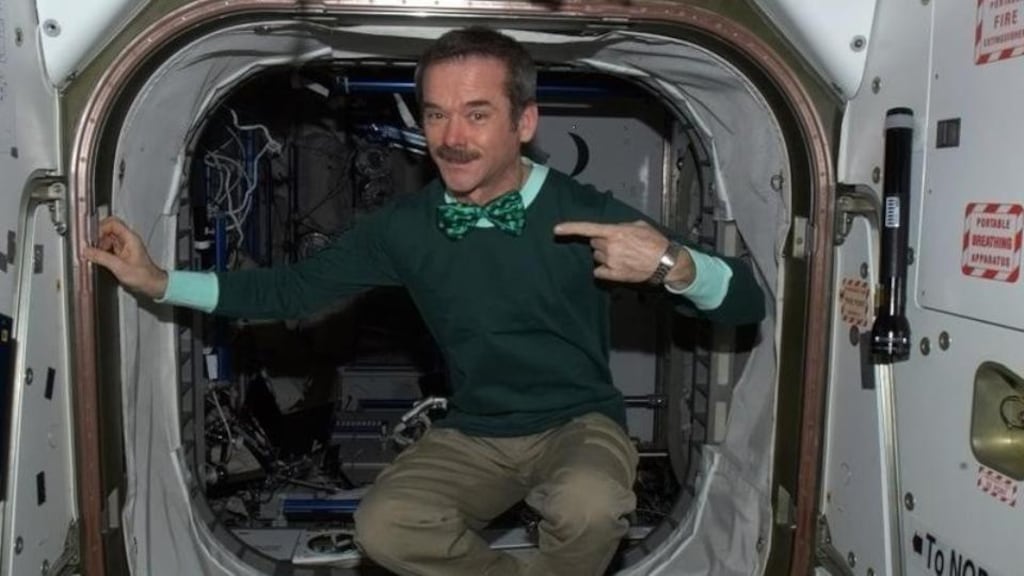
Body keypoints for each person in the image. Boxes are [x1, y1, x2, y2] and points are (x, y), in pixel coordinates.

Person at [86, 26, 765, 576]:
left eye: (477, 114)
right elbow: (288, 288)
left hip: (577, 423)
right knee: (384, 527)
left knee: (590, 508)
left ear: (525, 121)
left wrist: (673, 264)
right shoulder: (405, 228)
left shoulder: (583, 211)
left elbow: (745, 303)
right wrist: (160, 282)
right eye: (437, 115)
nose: (451, 138)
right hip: (476, 430)